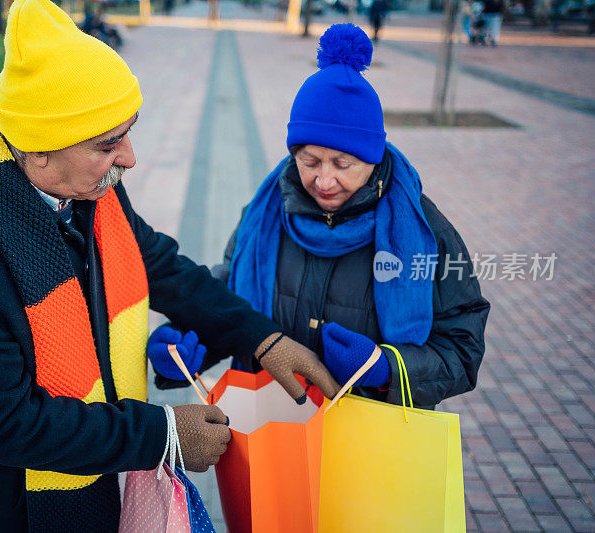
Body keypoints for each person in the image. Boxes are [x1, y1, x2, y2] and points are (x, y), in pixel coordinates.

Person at [0, 1, 339, 531]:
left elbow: (157, 263)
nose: (129, 157)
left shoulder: (84, 185)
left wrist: (261, 338)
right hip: (12, 509)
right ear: (38, 152)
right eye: (108, 145)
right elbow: (5, 424)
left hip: (103, 474)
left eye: (128, 131)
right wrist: (163, 435)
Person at [149, 24, 489, 411]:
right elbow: (229, 299)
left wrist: (386, 368)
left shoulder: (428, 233)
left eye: (343, 163)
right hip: (269, 433)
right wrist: (187, 344)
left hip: (369, 444)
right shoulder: (263, 215)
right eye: (308, 161)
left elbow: (463, 350)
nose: (323, 180)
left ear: (373, 158)